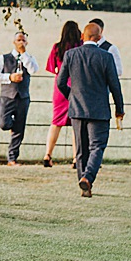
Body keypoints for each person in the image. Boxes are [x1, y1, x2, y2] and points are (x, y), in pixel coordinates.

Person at [55, 19, 125, 198]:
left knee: (81, 149)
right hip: (99, 111)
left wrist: (71, 96)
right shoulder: (105, 56)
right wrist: (119, 108)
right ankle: (88, 177)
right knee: (97, 147)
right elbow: (115, 85)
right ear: (99, 37)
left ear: (82, 36)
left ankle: (84, 185)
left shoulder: (71, 55)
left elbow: (60, 82)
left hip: (77, 109)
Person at [0, 30, 42, 164]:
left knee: (19, 129)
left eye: (23, 40)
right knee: (3, 123)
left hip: (23, 97)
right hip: (7, 97)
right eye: (19, 40)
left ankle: (12, 158)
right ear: (13, 42)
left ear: (27, 42)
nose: (21, 42)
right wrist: (9, 77)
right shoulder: (3, 58)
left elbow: (33, 70)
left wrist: (24, 54)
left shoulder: (30, 58)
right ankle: (10, 125)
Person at [43, 20, 83, 169]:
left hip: (60, 87)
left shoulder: (57, 47)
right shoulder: (80, 47)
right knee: (76, 124)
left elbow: (51, 68)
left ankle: (48, 154)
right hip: (77, 87)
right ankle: (75, 158)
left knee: (56, 122)